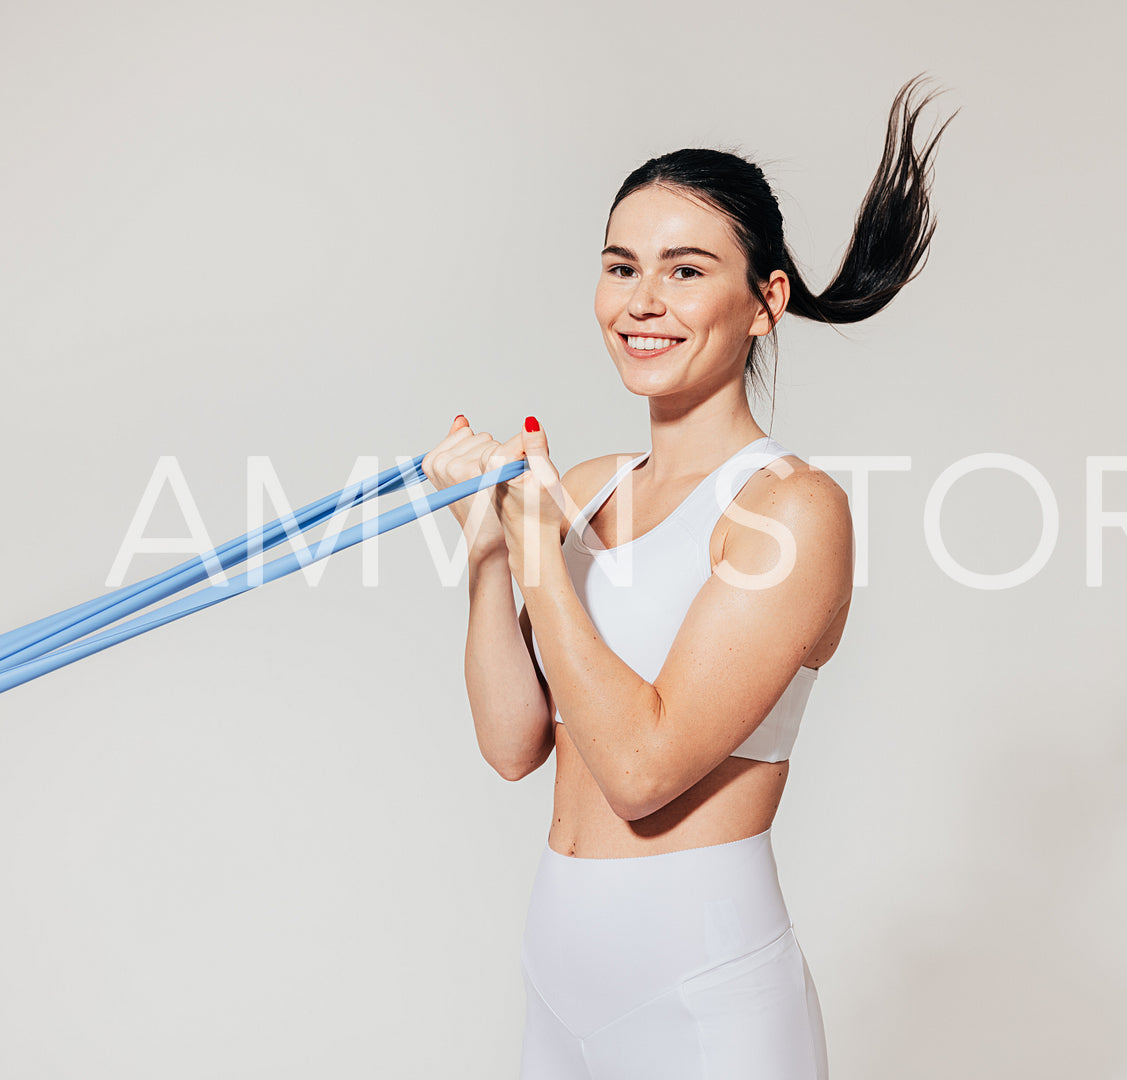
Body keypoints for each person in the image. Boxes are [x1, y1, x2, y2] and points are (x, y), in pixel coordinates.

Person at [421, 74, 953, 1080]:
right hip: (556, 979)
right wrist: (490, 557)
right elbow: (509, 746)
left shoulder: (790, 509)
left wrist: (536, 552)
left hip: (703, 994)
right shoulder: (577, 488)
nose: (643, 302)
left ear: (764, 305)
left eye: (684, 270)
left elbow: (641, 769)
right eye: (621, 268)